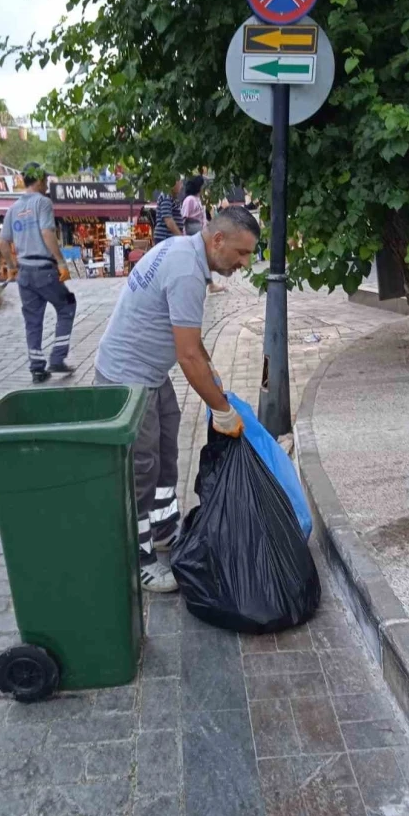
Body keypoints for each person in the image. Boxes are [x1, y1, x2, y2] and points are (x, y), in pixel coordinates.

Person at [94, 205, 261, 592]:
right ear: (217, 240)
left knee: (166, 452)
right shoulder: (187, 270)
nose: (244, 263)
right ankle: (138, 560)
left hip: (148, 373)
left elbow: (188, 338)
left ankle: (165, 530)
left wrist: (210, 366)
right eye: (241, 253)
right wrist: (222, 410)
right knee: (141, 470)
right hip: (127, 380)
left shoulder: (183, 251)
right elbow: (186, 356)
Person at [0, 162, 76, 383]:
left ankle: (37, 368)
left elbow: (3, 242)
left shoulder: (13, 209)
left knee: (33, 321)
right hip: (44, 270)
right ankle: (58, 358)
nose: (47, 184)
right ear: (40, 180)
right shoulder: (43, 202)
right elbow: (47, 232)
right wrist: (61, 262)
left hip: (24, 273)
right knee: (67, 306)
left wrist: (12, 268)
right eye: (46, 180)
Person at [181, 176, 226, 295]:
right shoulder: (190, 200)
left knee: (205, 257)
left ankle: (209, 283)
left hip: (200, 231)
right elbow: (184, 218)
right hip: (193, 232)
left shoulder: (197, 199)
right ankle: (207, 284)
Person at [153, 178, 184, 244]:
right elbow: (168, 220)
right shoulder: (166, 196)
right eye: (180, 182)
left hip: (169, 238)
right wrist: (181, 238)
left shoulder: (171, 198)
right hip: (165, 237)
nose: (182, 185)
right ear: (173, 183)